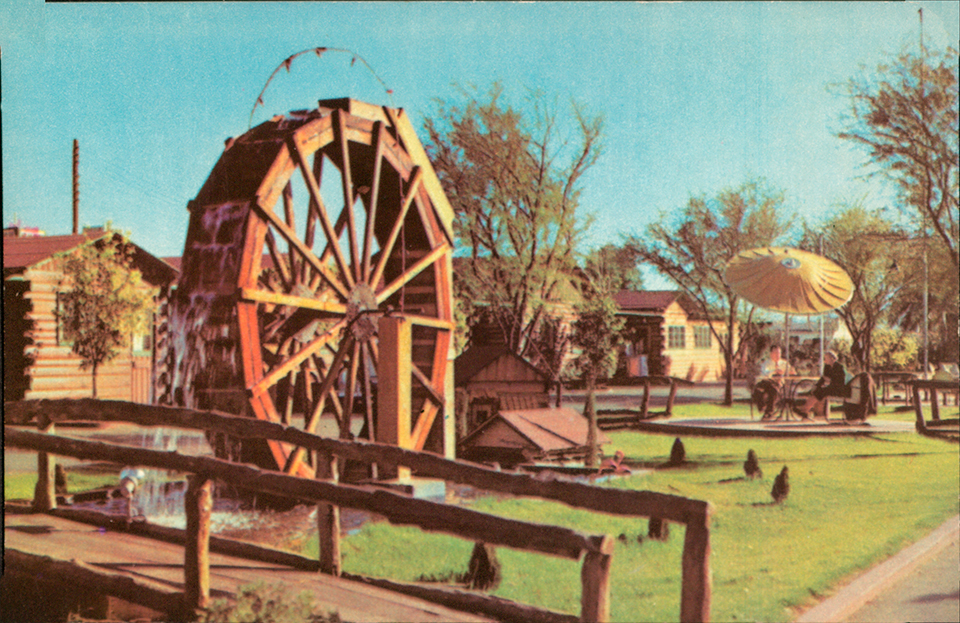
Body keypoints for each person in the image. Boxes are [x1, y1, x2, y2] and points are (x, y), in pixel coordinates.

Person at [796, 350, 847, 419]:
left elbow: (840, 381)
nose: (825, 360)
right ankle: (810, 412)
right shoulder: (827, 367)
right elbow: (823, 379)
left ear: (832, 358)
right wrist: (816, 386)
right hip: (830, 388)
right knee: (817, 391)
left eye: (826, 358)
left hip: (838, 389)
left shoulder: (839, 367)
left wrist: (830, 380)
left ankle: (805, 410)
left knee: (820, 392)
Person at [754, 345, 793, 420]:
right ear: (771, 353)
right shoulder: (766, 363)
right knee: (758, 389)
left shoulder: (784, 363)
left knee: (773, 390)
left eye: (779, 353)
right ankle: (763, 407)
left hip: (777, 384)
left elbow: (792, 372)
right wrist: (774, 371)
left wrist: (790, 372)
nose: (778, 355)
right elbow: (765, 373)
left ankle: (768, 413)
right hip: (766, 382)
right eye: (775, 353)